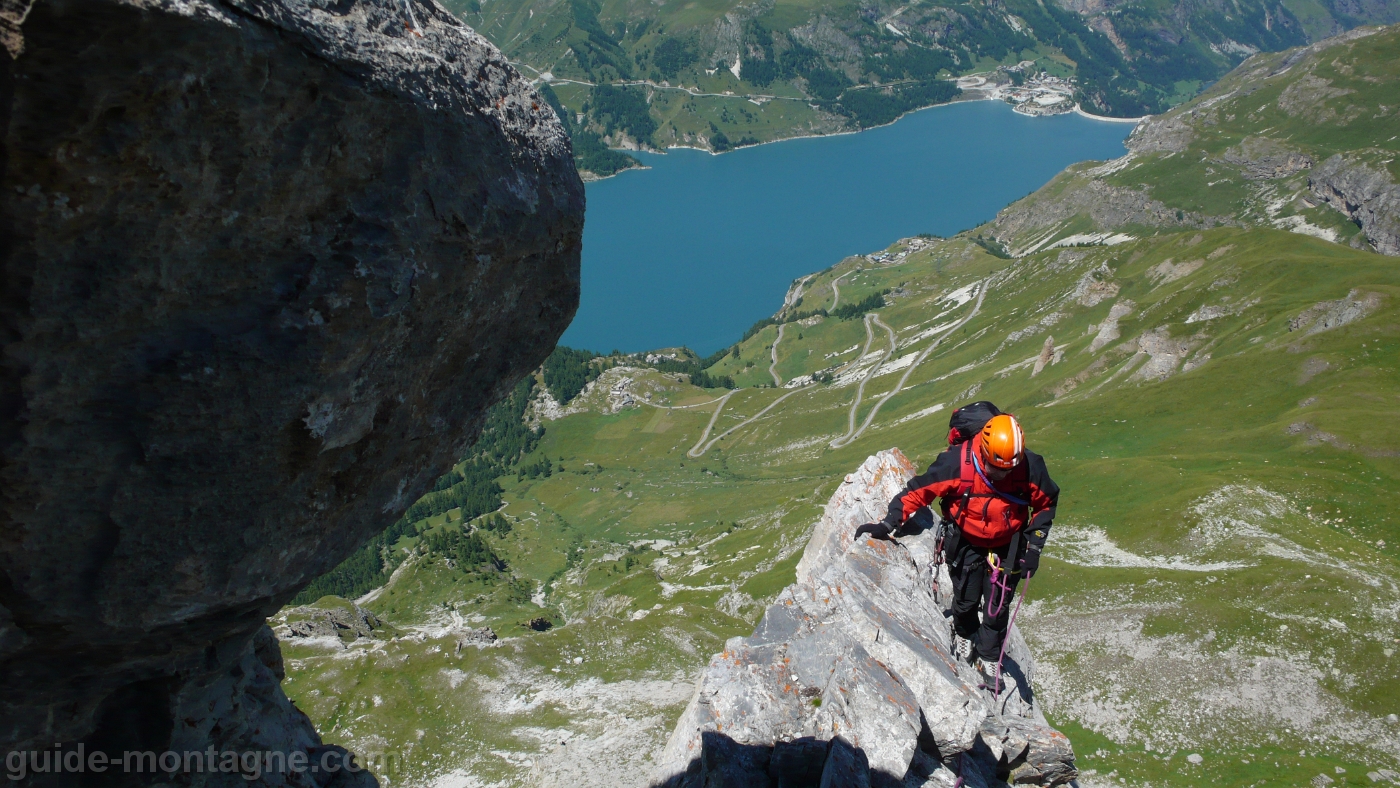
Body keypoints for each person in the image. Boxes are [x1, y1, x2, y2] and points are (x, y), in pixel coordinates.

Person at [855, 402, 1059, 677]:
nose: (1002, 475)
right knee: (965, 599)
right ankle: (965, 632)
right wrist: (888, 523)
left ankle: (988, 656)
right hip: (966, 541)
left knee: (997, 608)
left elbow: (1046, 503)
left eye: (1007, 470)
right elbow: (918, 492)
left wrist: (1034, 546)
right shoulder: (956, 464)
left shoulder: (1028, 467)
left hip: (1008, 545)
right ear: (984, 451)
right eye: (996, 468)